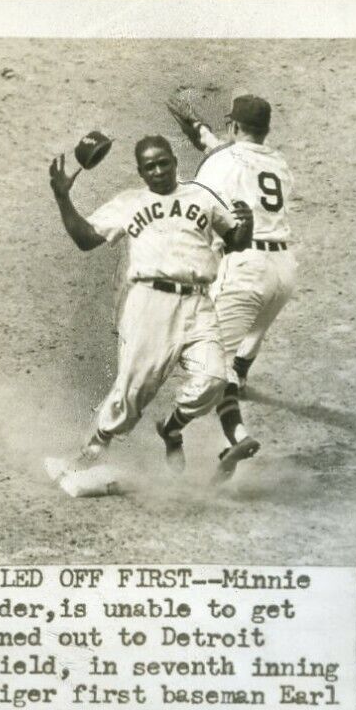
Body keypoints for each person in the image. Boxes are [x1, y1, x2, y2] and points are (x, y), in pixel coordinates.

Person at [47, 134, 252, 489]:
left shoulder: (201, 196)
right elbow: (85, 239)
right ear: (141, 171)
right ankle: (88, 455)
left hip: (198, 302)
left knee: (215, 379)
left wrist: (245, 225)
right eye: (150, 166)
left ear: (175, 161)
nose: (158, 171)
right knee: (132, 391)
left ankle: (172, 428)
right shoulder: (129, 202)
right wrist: (63, 198)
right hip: (149, 303)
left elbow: (235, 240)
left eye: (164, 163)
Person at [168, 92, 297, 477]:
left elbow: (197, 208)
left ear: (235, 126)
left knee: (211, 362)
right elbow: (231, 154)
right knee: (246, 338)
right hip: (284, 270)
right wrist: (203, 132)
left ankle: (223, 435)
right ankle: (242, 370)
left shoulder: (221, 162)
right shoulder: (280, 163)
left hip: (245, 269)